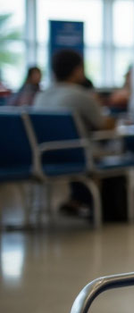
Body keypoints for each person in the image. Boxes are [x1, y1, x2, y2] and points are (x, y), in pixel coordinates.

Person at [35, 50, 115, 216]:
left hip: (44, 156)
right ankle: (103, 203)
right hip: (77, 154)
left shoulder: (41, 97)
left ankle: (77, 198)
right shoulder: (81, 96)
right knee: (110, 148)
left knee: (82, 147)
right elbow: (103, 125)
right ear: (78, 70)